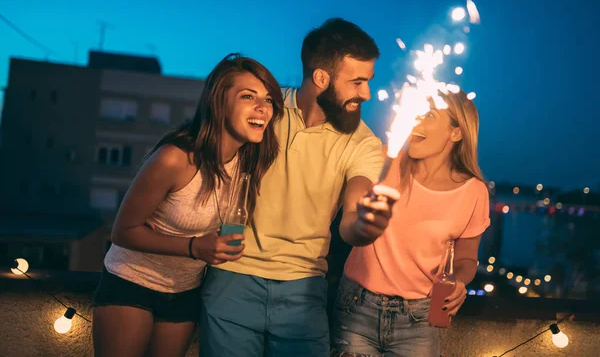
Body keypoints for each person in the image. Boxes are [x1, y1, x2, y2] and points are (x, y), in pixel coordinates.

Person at [199, 18, 400, 357]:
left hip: (304, 290)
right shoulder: (265, 112)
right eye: (357, 81)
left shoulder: (363, 142)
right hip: (233, 275)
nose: (366, 93)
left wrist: (366, 224)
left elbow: (352, 217)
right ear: (321, 78)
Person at [91, 53, 284, 357]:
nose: (263, 107)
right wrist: (195, 247)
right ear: (219, 102)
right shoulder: (175, 158)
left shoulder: (250, 161)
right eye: (248, 96)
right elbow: (122, 232)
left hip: (185, 292)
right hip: (132, 282)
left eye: (270, 100)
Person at [330, 89, 491, 357]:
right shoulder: (382, 161)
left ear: (456, 132)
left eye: (428, 115)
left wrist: (460, 282)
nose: (415, 121)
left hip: (419, 319)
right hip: (356, 306)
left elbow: (466, 259)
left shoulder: (474, 192)